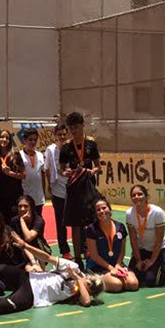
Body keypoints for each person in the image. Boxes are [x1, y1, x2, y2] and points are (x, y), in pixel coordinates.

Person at [0, 238, 104, 315]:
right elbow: (47, 258)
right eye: (90, 280)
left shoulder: (79, 293)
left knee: (1, 307)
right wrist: (26, 246)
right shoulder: (74, 267)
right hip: (30, 278)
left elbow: (86, 302)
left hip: (34, 296)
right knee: (0, 270)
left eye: (91, 286)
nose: (88, 283)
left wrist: (78, 279)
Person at [59, 112, 102, 266]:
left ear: (83, 125)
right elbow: (61, 169)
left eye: (76, 127)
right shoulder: (66, 147)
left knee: (91, 222)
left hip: (89, 188)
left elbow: (98, 166)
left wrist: (92, 171)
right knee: (75, 224)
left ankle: (92, 254)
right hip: (74, 189)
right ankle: (77, 258)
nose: (74, 131)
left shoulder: (91, 144)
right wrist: (65, 172)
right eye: (71, 128)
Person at [83, 198, 139, 293]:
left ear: (110, 209)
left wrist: (118, 265)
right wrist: (111, 268)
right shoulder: (91, 229)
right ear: (95, 213)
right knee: (117, 285)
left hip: (117, 264)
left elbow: (122, 251)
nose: (102, 211)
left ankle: (113, 277)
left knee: (133, 284)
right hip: (98, 266)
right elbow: (94, 256)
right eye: (98, 210)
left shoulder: (120, 227)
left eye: (104, 208)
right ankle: (97, 278)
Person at [126, 184, 165, 287]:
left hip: (158, 250)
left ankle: (164, 261)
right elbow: (133, 239)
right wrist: (138, 260)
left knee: (152, 281)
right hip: (141, 250)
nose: (136, 197)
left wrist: (151, 261)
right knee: (132, 278)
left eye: (140, 194)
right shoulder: (129, 213)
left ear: (146, 196)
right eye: (133, 195)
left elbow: (159, 239)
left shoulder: (157, 212)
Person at [43, 122, 70, 257]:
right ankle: (64, 251)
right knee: (60, 222)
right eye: (59, 134)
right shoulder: (50, 150)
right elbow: (47, 168)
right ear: (55, 135)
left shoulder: (71, 148)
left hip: (72, 189)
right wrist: (49, 184)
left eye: (64, 134)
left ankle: (83, 248)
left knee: (78, 221)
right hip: (57, 190)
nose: (62, 137)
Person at [0, 129, 26, 220]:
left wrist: (10, 173)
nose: (4, 139)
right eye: (2, 137)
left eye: (7, 138)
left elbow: (24, 175)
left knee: (14, 222)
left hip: (14, 196)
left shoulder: (16, 155)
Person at [9, 195, 49, 270]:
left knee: (35, 268)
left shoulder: (38, 220)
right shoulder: (14, 221)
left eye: (26, 206)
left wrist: (22, 220)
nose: (22, 209)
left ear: (31, 208)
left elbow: (28, 238)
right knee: (29, 268)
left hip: (38, 249)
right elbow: (21, 242)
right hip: (22, 251)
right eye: (20, 206)